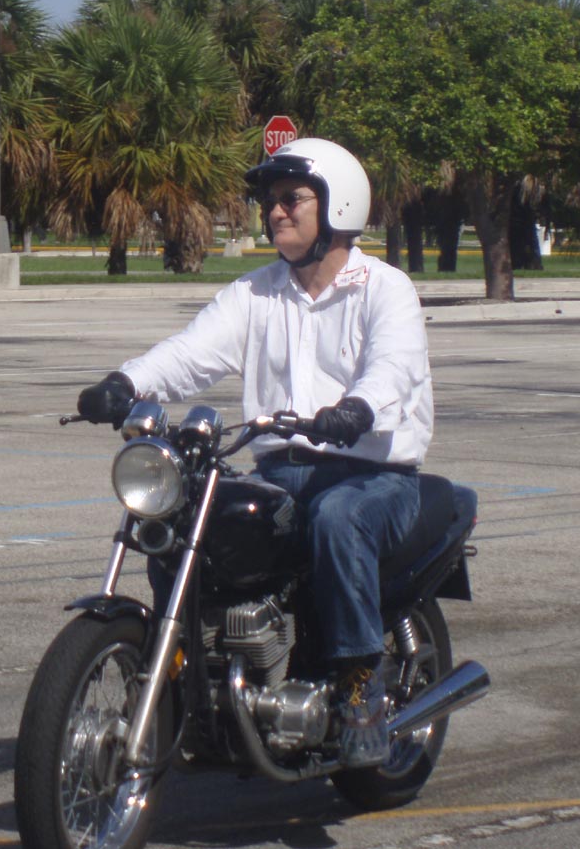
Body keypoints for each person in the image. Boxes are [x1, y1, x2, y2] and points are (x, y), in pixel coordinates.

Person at [76, 138, 434, 769]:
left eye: (292, 199)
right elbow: (191, 353)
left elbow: (393, 366)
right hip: (279, 471)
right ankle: (184, 674)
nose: (275, 212)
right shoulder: (256, 293)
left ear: (337, 204)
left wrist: (356, 409)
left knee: (338, 519)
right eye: (270, 201)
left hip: (372, 475)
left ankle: (359, 690)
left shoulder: (386, 289)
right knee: (183, 516)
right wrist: (125, 382)